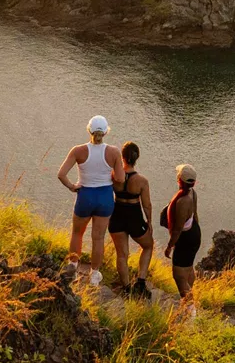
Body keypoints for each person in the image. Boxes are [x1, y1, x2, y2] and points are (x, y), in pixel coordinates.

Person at [57, 115, 123, 285]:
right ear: (106, 132)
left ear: (89, 130)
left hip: (85, 195)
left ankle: (73, 266)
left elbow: (61, 174)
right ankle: (94, 274)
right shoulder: (114, 152)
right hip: (105, 197)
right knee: (98, 237)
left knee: (77, 233)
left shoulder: (78, 151)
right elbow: (121, 179)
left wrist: (72, 186)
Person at [109, 142, 156, 297]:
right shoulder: (141, 180)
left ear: (122, 157)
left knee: (122, 254)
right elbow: (146, 205)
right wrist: (149, 222)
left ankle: (126, 289)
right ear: (137, 158)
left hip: (117, 215)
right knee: (148, 246)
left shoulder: (113, 175)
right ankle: (140, 282)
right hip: (134, 217)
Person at [162, 164, 203, 301]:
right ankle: (188, 301)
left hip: (185, 238)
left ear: (179, 179)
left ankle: (190, 310)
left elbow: (178, 229)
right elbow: (195, 215)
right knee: (188, 268)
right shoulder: (192, 193)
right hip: (194, 232)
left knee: (179, 275)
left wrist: (169, 246)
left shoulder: (182, 201)